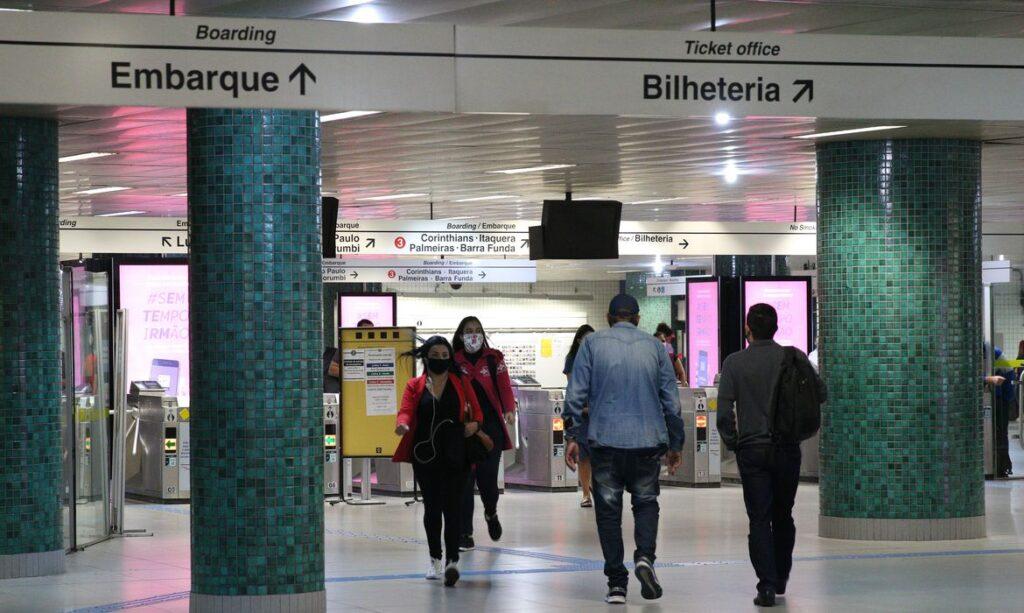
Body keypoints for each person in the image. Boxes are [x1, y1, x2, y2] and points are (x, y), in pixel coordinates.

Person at [564, 294, 684, 605]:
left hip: (605, 442)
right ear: (638, 318)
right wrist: (676, 443)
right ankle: (644, 557)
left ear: (608, 316)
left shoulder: (591, 345)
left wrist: (573, 435)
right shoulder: (655, 347)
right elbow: (671, 402)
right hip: (647, 441)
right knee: (646, 503)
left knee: (608, 513)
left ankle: (617, 583)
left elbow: (574, 396)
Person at [717, 303, 826, 608]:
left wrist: (734, 443)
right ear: (776, 329)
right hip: (787, 449)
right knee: (783, 515)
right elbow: (821, 393)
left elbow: (724, 414)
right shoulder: (793, 358)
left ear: (747, 329)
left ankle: (765, 584)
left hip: (752, 450)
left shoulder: (735, 363)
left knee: (759, 518)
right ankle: (780, 577)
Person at [393, 336, 484, 587]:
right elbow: (407, 409)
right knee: (432, 507)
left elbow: (477, 413)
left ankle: (452, 561)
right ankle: (435, 558)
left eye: (445, 356)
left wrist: (474, 425)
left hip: (456, 452)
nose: (441, 359)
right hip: (426, 453)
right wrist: (402, 424)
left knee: (452, 507)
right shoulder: (416, 385)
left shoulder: (461, 382)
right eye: (436, 355)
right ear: (426, 356)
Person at [452, 316, 517, 551]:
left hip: (490, 429)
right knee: (465, 483)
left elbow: (504, 386)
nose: (473, 335)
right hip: (465, 428)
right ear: (460, 335)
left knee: (488, 480)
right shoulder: (453, 360)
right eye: (468, 331)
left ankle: (491, 512)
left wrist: (509, 409)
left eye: (477, 330)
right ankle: (465, 533)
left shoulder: (493, 359)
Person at [564, 324, 596, 507]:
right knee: (584, 457)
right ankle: (585, 493)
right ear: (579, 341)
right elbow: (574, 388)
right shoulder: (572, 359)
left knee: (598, 456)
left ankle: (595, 487)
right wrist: (581, 409)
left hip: (599, 414)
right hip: (582, 415)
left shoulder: (600, 358)